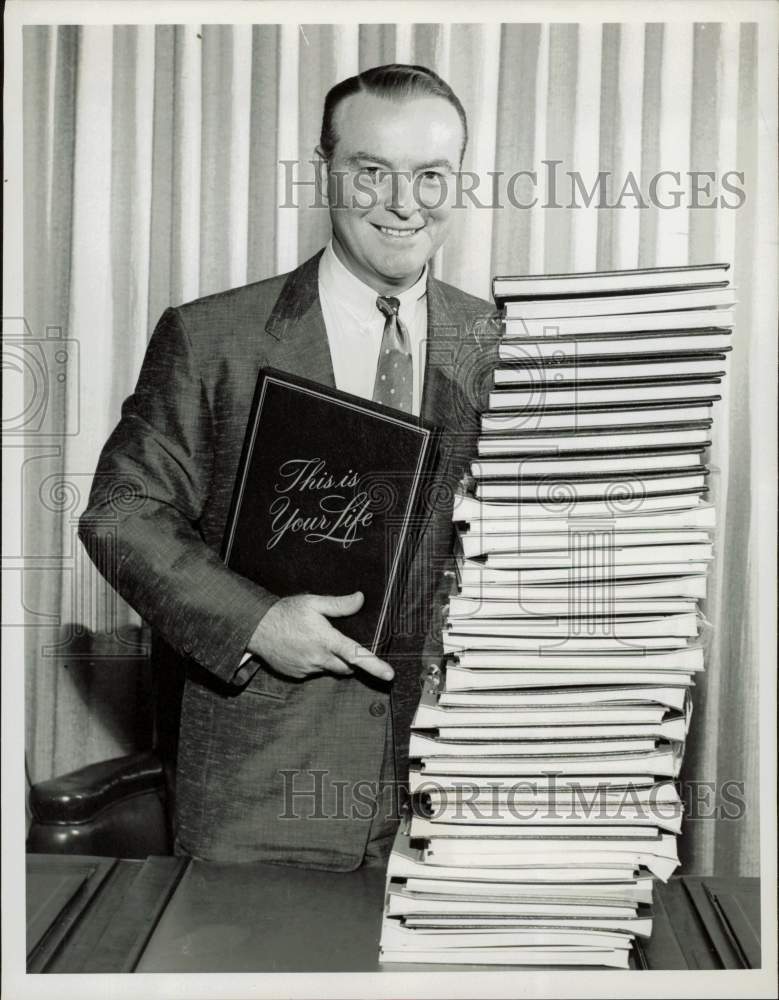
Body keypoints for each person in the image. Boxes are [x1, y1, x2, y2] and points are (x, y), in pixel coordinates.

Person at [79, 64, 497, 869]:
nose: (405, 204)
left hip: (462, 792)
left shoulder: (503, 348)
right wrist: (256, 623)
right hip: (264, 792)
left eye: (430, 176)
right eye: (372, 173)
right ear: (324, 171)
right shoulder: (214, 338)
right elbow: (121, 510)